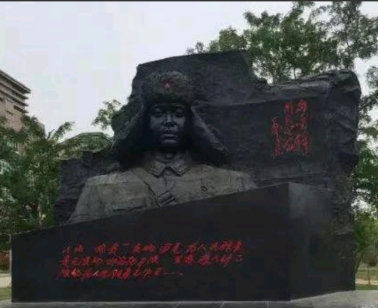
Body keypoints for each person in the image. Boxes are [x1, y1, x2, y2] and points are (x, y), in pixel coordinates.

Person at [68, 71, 257, 224]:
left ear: (192, 122)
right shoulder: (99, 189)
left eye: (178, 113)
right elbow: (77, 247)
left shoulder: (236, 184)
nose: (169, 121)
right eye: (158, 113)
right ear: (144, 122)